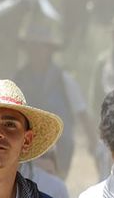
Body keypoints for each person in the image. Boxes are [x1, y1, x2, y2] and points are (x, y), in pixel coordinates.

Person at [12, 14, 88, 177]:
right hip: (27, 145)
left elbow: (81, 111)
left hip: (60, 146)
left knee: (54, 185)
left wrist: (94, 144)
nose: (36, 51)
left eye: (41, 47)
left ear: (49, 50)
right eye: (33, 46)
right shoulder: (18, 79)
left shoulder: (64, 79)